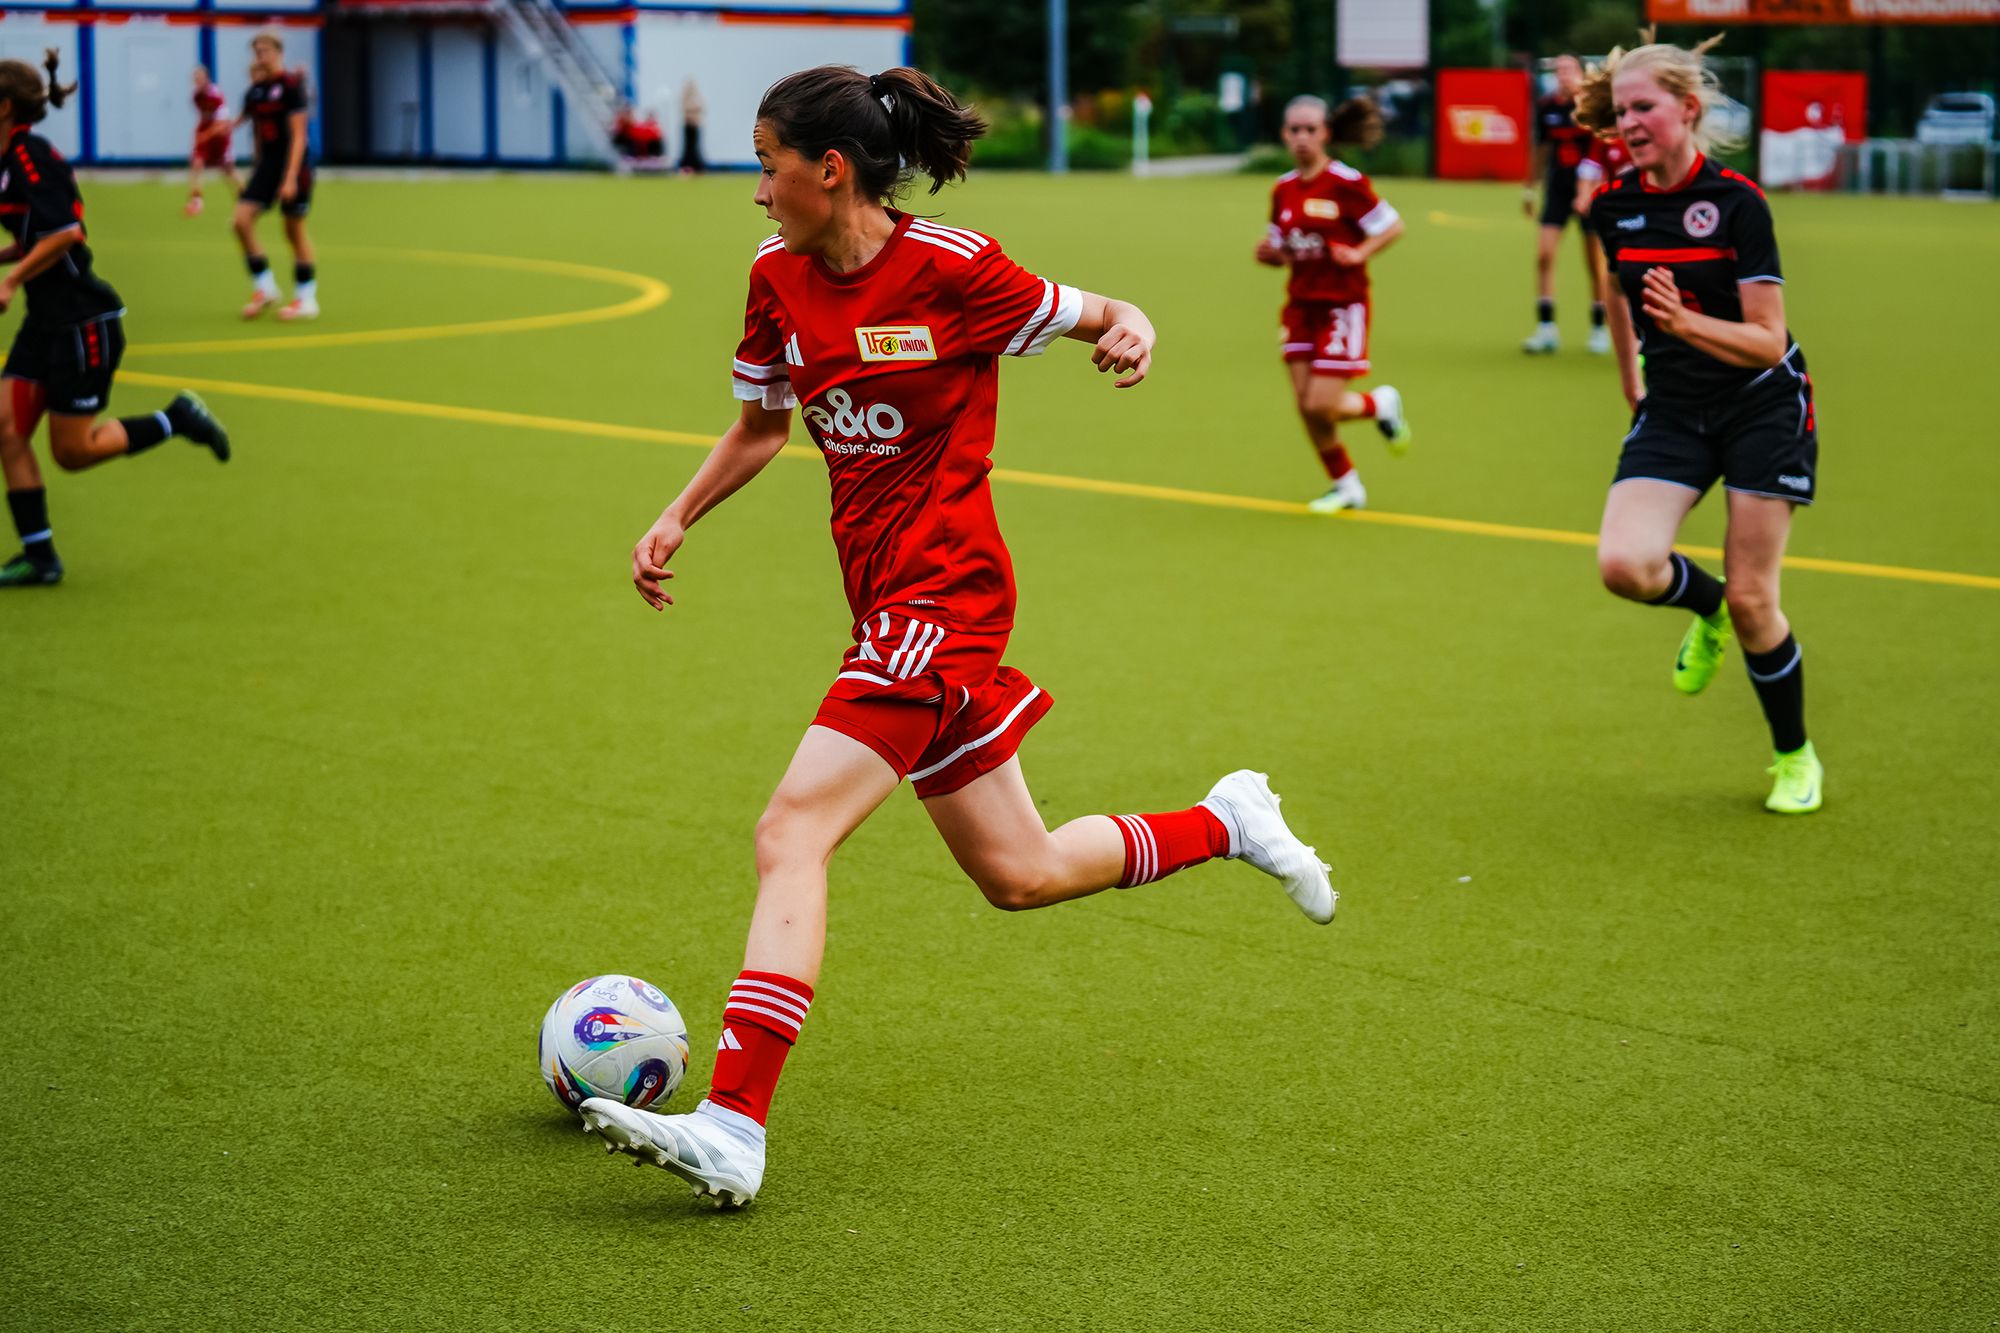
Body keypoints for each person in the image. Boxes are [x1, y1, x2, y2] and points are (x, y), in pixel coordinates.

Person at [574, 64, 1338, 1206]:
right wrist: (678, 513)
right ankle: (1227, 820)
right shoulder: (775, 275)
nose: (758, 188)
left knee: (791, 831)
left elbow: (1103, 311)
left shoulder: (955, 269)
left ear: (830, 169)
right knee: (1021, 872)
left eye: (767, 164)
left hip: (945, 597)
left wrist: (1133, 329)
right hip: (881, 600)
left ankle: (733, 1125)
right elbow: (761, 424)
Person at [1580, 33, 1824, 814]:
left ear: (1687, 109)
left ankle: (1794, 755)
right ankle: (1705, 606)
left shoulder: (1738, 203)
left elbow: (1768, 340)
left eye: (1644, 107)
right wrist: (1632, 377)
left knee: (1757, 598)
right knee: (1625, 564)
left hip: (1762, 405)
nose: (1629, 122)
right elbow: (1616, 292)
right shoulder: (1613, 205)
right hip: (1676, 407)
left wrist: (1685, 326)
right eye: (1621, 111)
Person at [0, 51, 231, 588]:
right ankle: (40, 558)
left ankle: (177, 419)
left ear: (5, 106)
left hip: (84, 324)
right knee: (6, 431)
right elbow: (35, 237)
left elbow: (66, 234)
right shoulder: (7, 162)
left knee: (72, 453)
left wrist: (10, 282)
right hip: (45, 320)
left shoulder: (32, 157)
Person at [1254, 95, 1410, 515]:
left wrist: (1360, 253)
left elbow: (1392, 226)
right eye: (1294, 130)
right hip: (1299, 308)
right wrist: (1272, 255)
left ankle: (1379, 404)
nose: (1302, 137)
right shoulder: (1283, 189)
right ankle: (1346, 485)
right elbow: (1284, 248)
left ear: (1325, 133)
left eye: (1310, 129)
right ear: (1284, 134)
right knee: (1306, 407)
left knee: (1320, 404)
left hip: (1342, 305)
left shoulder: (1346, 182)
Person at [212, 33, 316, 321]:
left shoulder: (292, 87)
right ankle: (265, 288)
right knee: (240, 221)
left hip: (294, 166)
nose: (261, 56)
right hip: (267, 167)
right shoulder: (256, 91)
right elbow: (244, 121)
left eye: (266, 50)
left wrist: (290, 178)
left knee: (293, 231)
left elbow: (299, 136)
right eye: (257, 51)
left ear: (279, 52)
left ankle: (307, 299)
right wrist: (223, 128)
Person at [1522, 55, 1609, 355]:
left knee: (1594, 263)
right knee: (1544, 255)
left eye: (1569, 69)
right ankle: (1546, 329)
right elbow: (1541, 149)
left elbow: (1603, 151)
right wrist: (1529, 189)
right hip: (1558, 190)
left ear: (1581, 73)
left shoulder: (1590, 107)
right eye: (1558, 70)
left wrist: (1592, 191)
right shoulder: (1547, 106)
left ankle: (1598, 327)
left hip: (1590, 193)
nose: (1563, 74)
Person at [1573, 131, 1632, 352]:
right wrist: (1584, 195)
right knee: (1610, 273)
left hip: (1648, 214)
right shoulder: (1605, 137)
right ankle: (1604, 328)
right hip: (1617, 215)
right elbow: (1590, 168)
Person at [186, 65, 238, 218]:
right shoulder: (195, 96)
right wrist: (201, 134)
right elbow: (204, 117)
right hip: (206, 131)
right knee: (197, 163)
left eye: (200, 78)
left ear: (207, 79)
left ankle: (243, 198)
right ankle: (196, 201)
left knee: (227, 169)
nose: (197, 82)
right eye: (195, 79)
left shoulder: (216, 95)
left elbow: (222, 124)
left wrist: (206, 135)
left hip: (219, 136)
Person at [677, 78, 706, 175]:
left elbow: (701, 107)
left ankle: (696, 166)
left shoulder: (697, 97)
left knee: (695, 147)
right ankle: (687, 166)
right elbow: (685, 109)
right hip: (688, 125)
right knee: (688, 147)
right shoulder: (684, 97)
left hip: (695, 125)